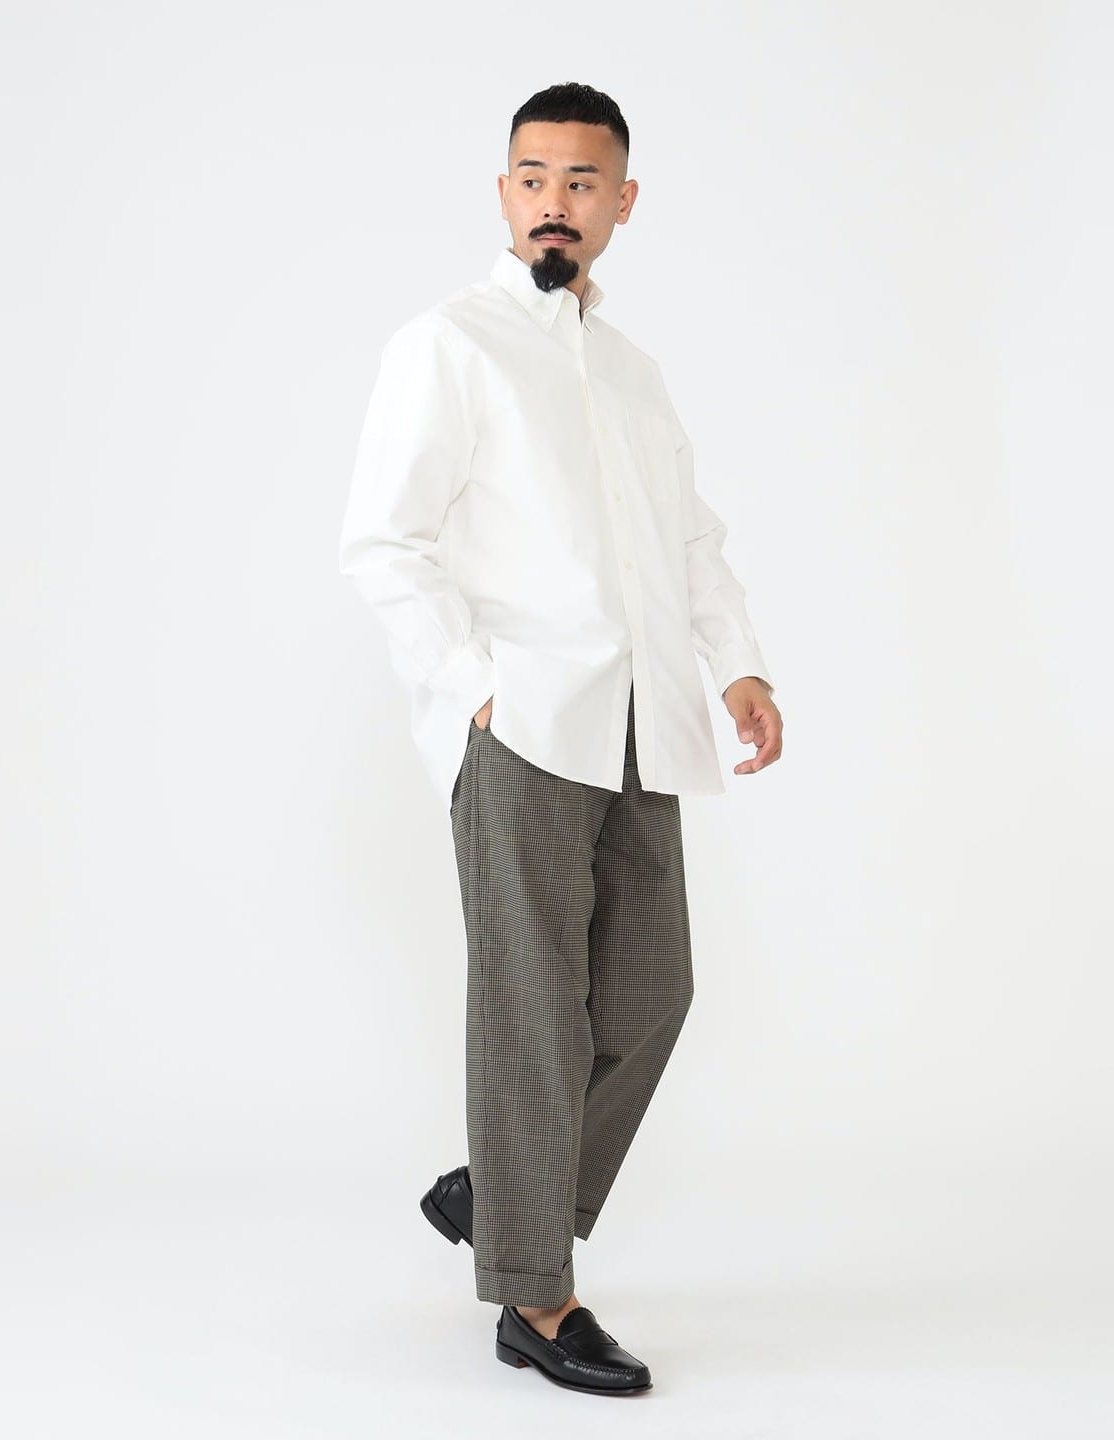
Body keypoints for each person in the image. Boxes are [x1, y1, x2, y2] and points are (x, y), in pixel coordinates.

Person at [338, 82, 783, 1395]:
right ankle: (535, 1300)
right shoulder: (451, 345)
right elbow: (385, 539)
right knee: (535, 1015)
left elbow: (690, 541)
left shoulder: (633, 375)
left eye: (582, 181)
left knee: (651, 995)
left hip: (643, 722)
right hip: (525, 723)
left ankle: (502, 1192)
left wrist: (739, 666)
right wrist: (473, 686)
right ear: (503, 193)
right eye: (533, 178)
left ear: (622, 203)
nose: (554, 202)